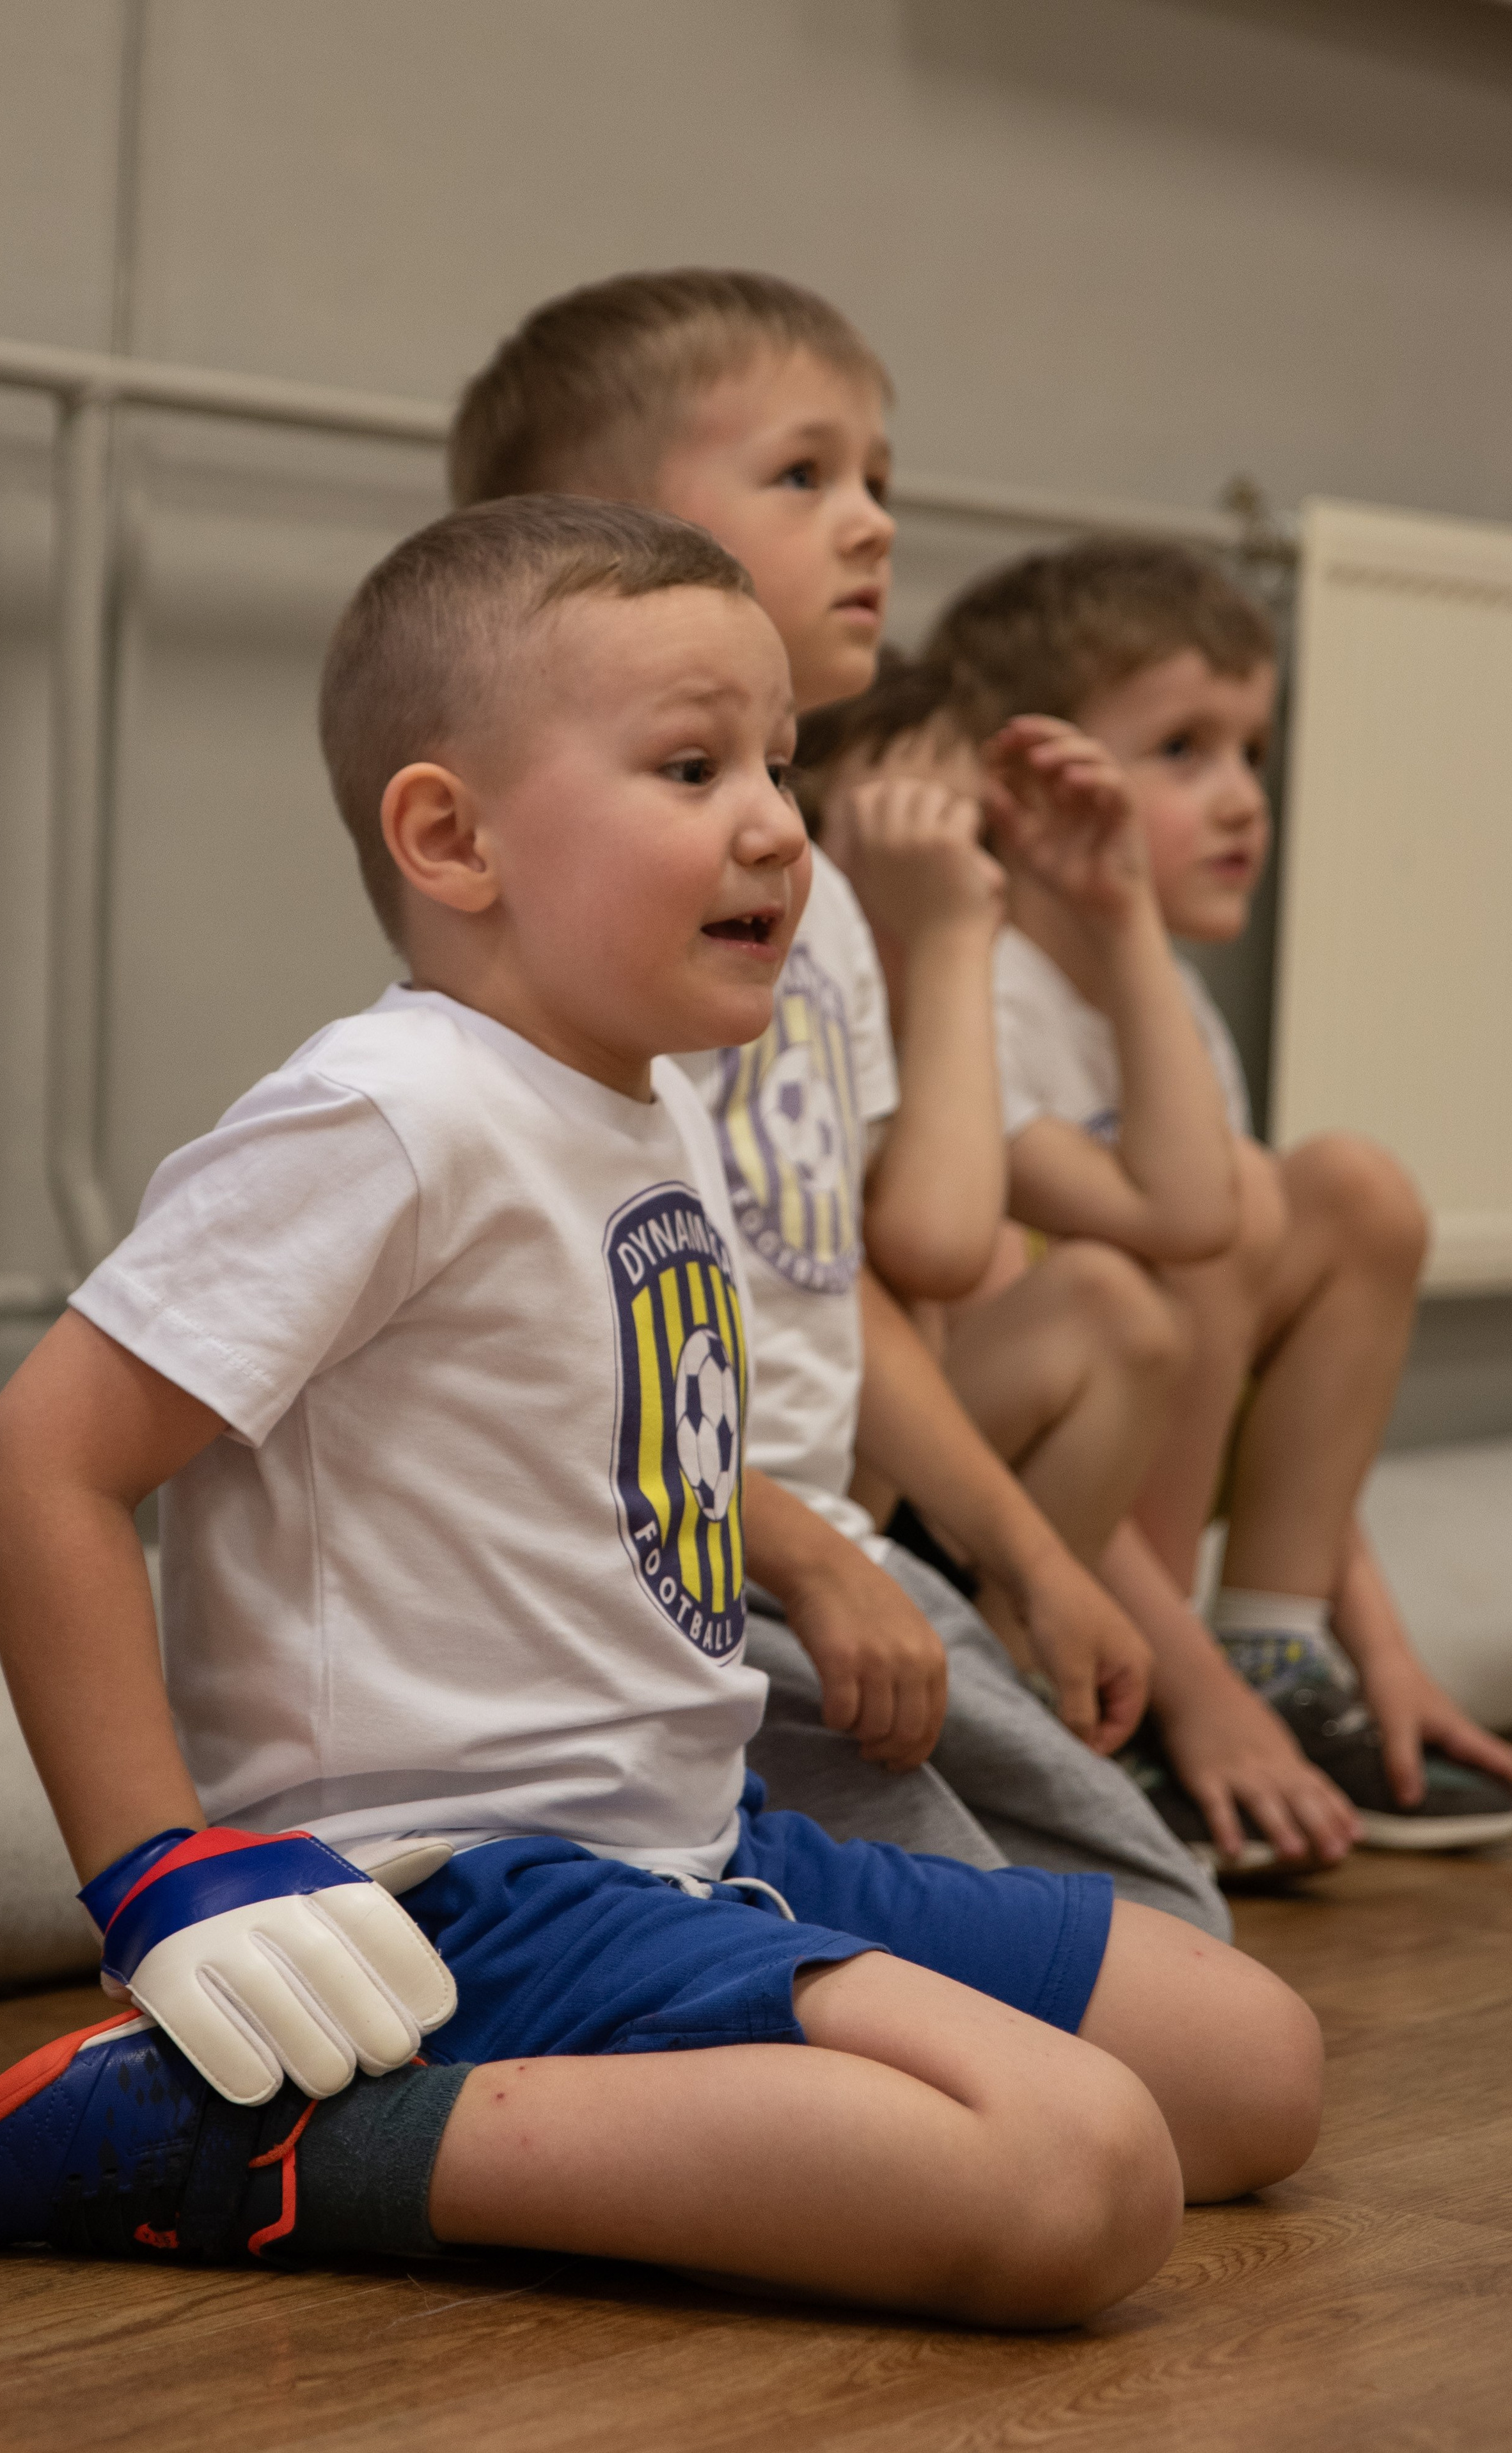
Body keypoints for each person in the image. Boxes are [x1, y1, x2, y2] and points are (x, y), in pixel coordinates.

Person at [0, 498, 1320, 2323]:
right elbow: (41, 1466)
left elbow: (627, 1461)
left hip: (698, 1847)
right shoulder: (389, 1109)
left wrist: (833, 1561)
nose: (777, 823)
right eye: (694, 766)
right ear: (450, 836)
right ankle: (237, 2141)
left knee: (1253, 2065)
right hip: (450, 1891)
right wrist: (162, 1876)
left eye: (781, 764)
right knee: (1077, 2175)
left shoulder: (649, 1106)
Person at [448, 271, 1229, 1932]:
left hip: (833, 1562)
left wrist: (1024, 1556)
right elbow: (559, 1364)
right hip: (686, 1582)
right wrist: (802, 1552)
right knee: (1122, 1986)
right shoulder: (595, 930)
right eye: (804, 475)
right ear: (591, 542)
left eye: (878, 476)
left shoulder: (814, 902)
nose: (872, 522)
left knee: (1170, 1918)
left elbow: (844, 1276)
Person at [925, 537, 1512, 1859]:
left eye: (1253, 750)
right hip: (1005, 1507)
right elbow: (1029, 1346)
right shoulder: (978, 994)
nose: (1244, 798)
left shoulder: (1169, 1003)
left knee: (1351, 1188)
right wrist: (1185, 1691)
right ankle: (1136, 1701)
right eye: (1183, 749)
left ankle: (1272, 1656)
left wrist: (1377, 1652)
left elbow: (1257, 1353)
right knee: (1224, 1199)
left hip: (1148, 1497)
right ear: (1020, 785)